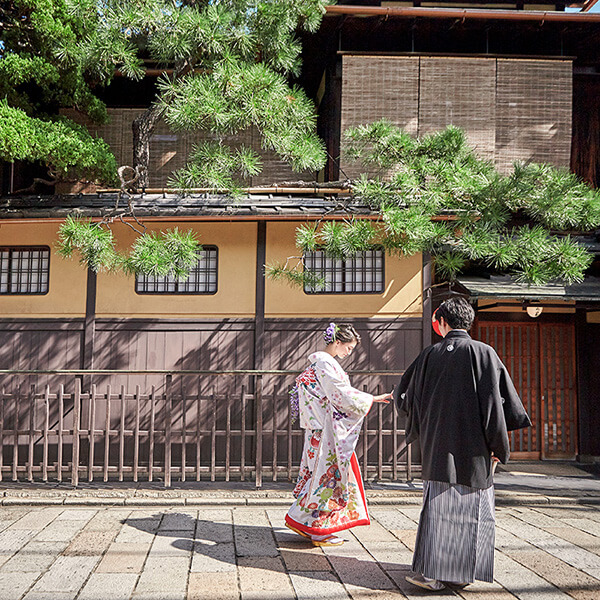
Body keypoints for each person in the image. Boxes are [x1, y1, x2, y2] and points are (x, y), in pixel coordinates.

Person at [395, 297, 531, 591]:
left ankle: (431, 573)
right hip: (474, 448)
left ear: (442, 322)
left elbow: (404, 396)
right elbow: (497, 403)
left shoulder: (429, 355)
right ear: (468, 322)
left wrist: (422, 424)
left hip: (437, 446)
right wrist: (498, 445)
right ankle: (461, 573)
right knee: (472, 508)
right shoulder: (484, 353)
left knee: (438, 507)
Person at [285, 322, 392, 546]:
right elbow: (340, 395)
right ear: (337, 342)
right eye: (348, 348)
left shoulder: (319, 364)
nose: (348, 353)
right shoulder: (325, 364)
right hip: (327, 433)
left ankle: (302, 521)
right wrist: (372, 398)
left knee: (321, 477)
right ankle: (318, 530)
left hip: (321, 429)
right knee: (326, 478)